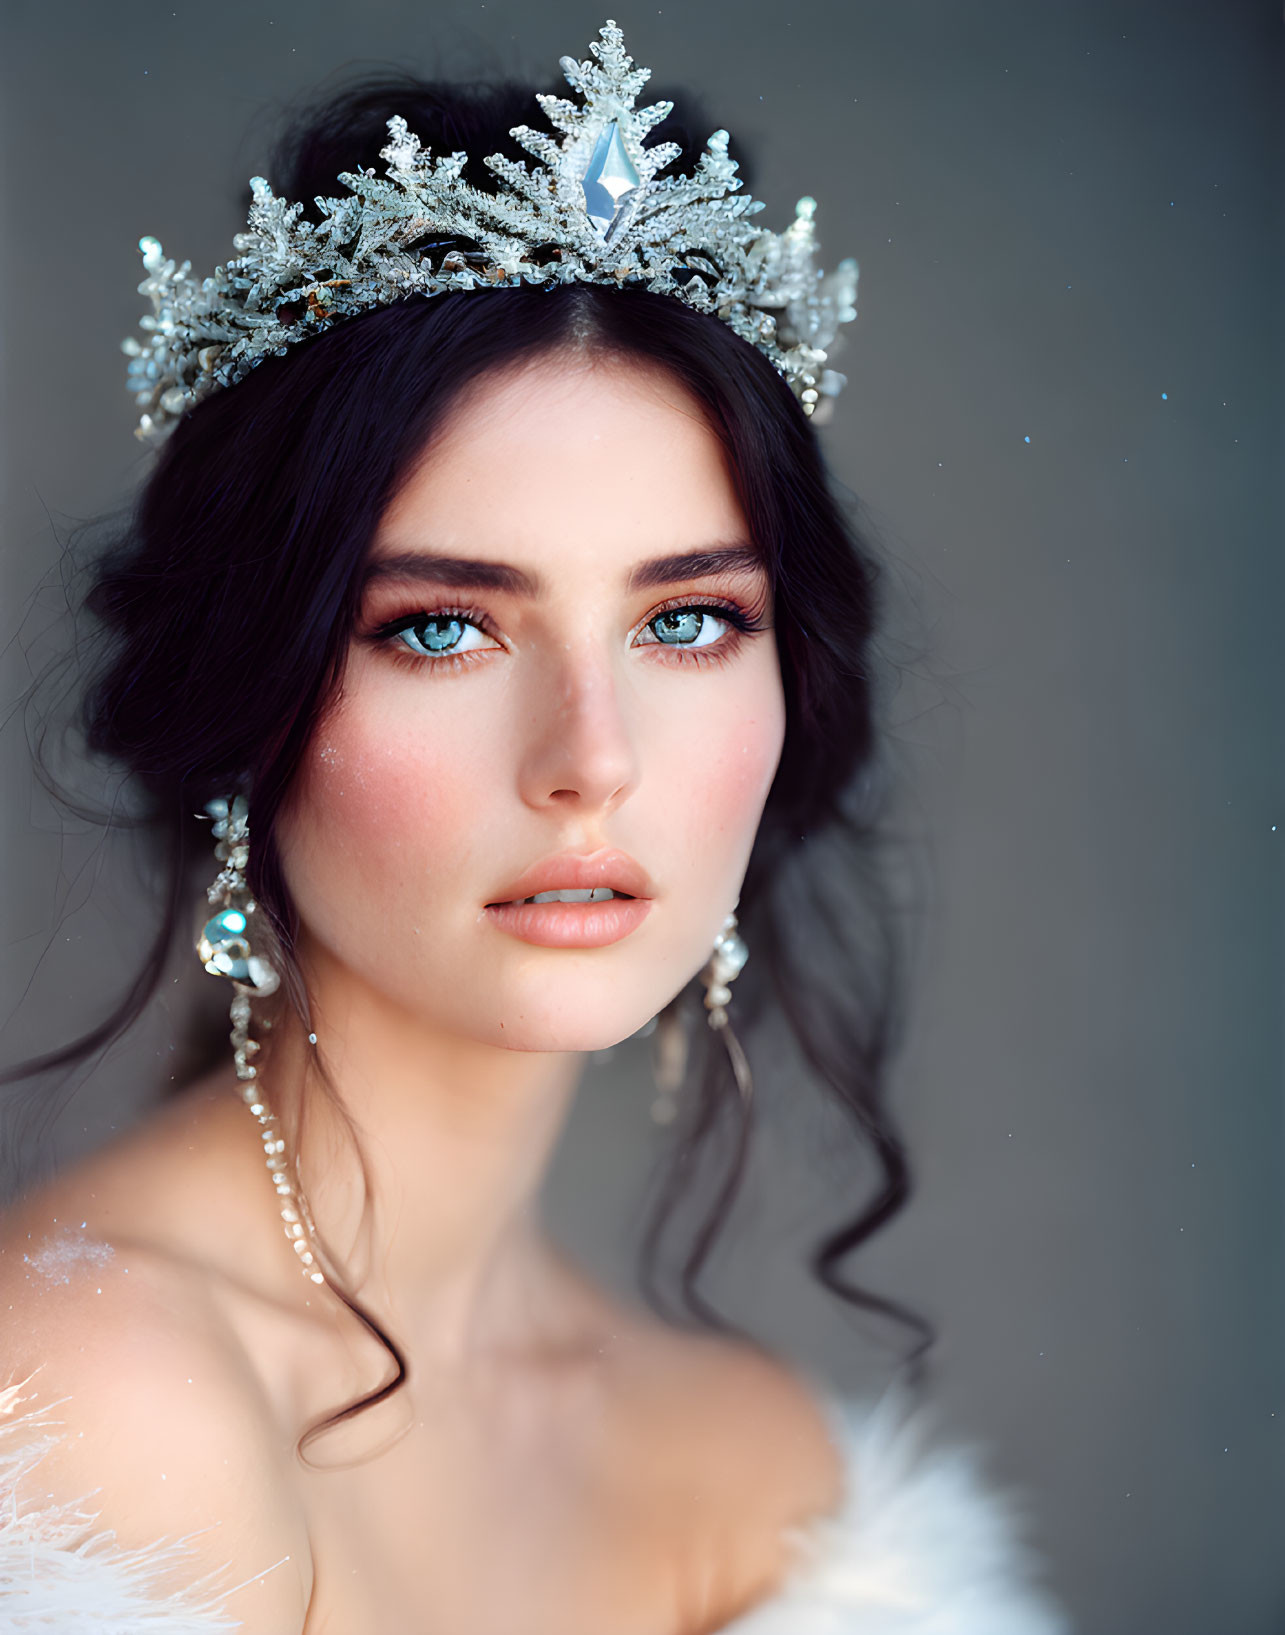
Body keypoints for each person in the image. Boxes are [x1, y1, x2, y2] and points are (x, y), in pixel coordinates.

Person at [0, 21, 1070, 1633]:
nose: (591, 761)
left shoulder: (757, 1475)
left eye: (691, 621)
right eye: (442, 628)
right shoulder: (74, 1407)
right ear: (248, 701)